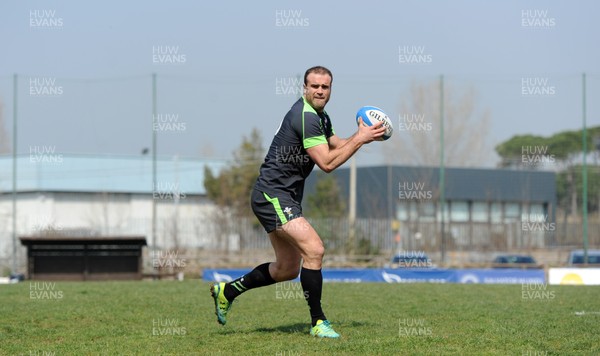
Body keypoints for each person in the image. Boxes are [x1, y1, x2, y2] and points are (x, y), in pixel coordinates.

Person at [210, 65, 385, 338]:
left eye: (324, 87)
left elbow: (336, 145)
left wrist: (362, 135)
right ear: (305, 88)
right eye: (314, 86)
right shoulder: (305, 117)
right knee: (315, 250)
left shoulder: (320, 117)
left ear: (330, 90)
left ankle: (228, 290)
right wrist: (360, 140)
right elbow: (327, 163)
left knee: (287, 269)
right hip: (272, 195)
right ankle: (318, 323)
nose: (319, 90)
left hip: (282, 195)